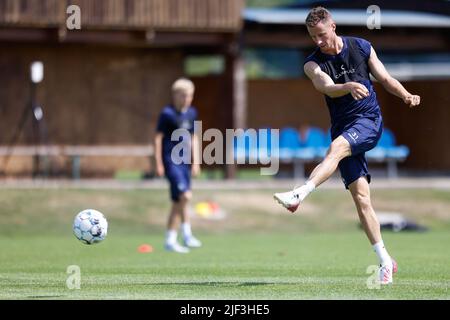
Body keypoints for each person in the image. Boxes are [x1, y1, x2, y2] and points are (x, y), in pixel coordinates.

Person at [273, 7, 421, 284]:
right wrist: (348, 85)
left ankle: (299, 194)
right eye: (312, 36)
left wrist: (406, 95)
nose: (317, 41)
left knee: (337, 148)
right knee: (361, 198)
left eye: (320, 35)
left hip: (369, 121)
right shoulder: (312, 64)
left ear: (333, 27)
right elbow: (326, 86)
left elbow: (386, 79)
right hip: (343, 127)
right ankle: (386, 261)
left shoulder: (362, 47)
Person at [155, 78, 202, 253]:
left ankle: (176, 238)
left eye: (190, 96)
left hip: (184, 164)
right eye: (183, 95)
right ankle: (180, 236)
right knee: (185, 196)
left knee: (179, 200)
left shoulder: (192, 113)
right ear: (175, 95)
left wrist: (196, 161)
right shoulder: (167, 114)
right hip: (170, 161)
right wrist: (159, 163)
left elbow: (193, 138)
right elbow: (158, 138)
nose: (187, 99)